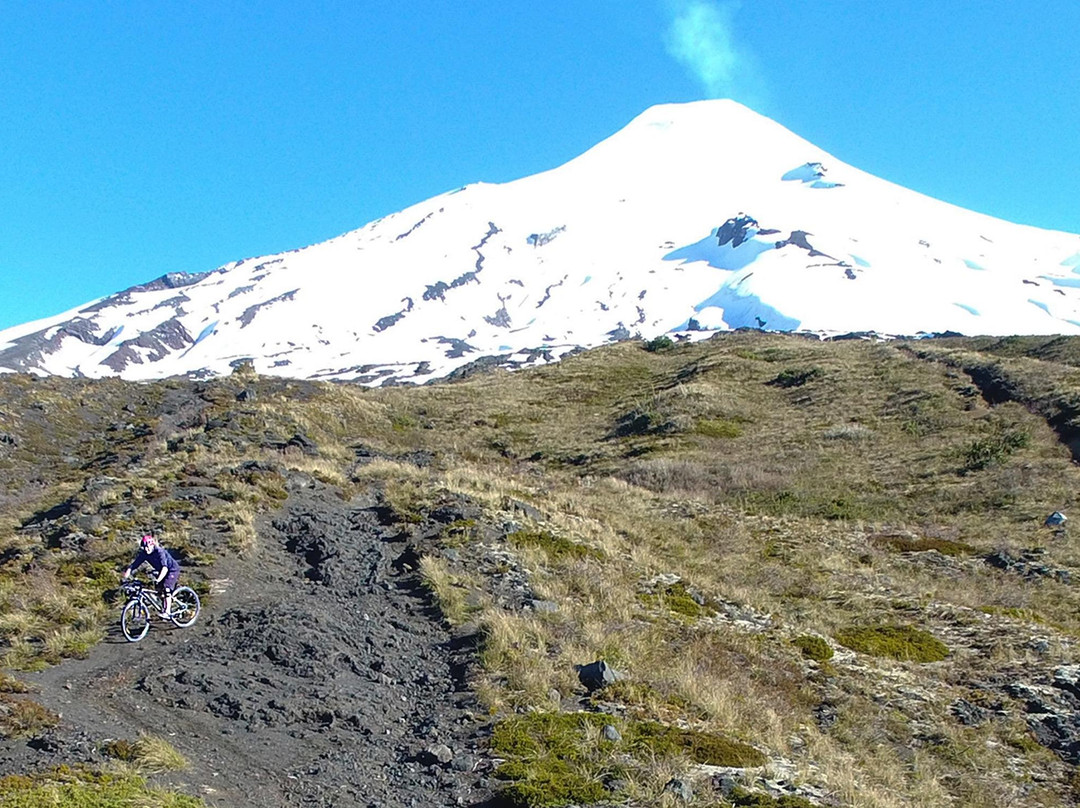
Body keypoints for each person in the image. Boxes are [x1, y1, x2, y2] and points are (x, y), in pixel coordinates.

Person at [122, 534, 181, 618]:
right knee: (159, 591)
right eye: (144, 547)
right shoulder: (144, 554)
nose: (146, 549)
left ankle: (167, 611)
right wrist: (126, 575)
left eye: (148, 547)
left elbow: (165, 568)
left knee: (166, 587)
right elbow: (134, 565)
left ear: (152, 545)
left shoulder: (159, 552)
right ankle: (165, 606)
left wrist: (158, 579)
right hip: (161, 571)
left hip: (172, 570)